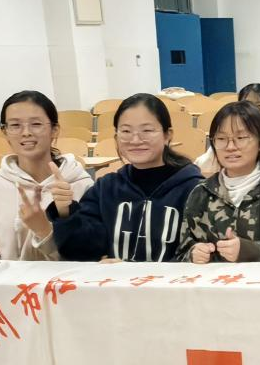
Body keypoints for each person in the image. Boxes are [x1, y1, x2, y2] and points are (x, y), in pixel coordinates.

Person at [49, 93, 201, 262]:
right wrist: (65, 213)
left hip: (174, 280)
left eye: (147, 130)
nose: (135, 140)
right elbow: (82, 251)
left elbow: (200, 255)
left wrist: (132, 269)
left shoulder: (194, 189)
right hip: (114, 280)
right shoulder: (105, 188)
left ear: (167, 135)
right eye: (126, 131)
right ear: (116, 137)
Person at [0, 90, 93, 261]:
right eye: (15, 125)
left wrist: (52, 225)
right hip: (5, 278)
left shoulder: (81, 184)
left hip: (67, 278)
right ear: (5, 132)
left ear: (54, 130)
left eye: (36, 124)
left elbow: (91, 256)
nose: (26, 132)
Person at [179, 102, 260, 263]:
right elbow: (182, 252)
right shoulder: (202, 192)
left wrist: (250, 251)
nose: (230, 147)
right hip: (215, 279)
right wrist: (193, 254)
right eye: (221, 139)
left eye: (241, 138)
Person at [195, 83, 260, 176]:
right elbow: (201, 164)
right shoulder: (225, 136)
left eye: (259, 105)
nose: (252, 110)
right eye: (246, 105)